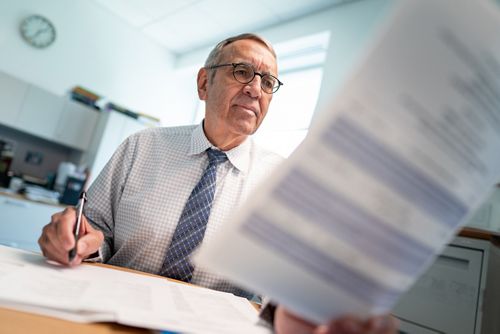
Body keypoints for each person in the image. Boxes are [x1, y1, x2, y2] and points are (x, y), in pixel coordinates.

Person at [39, 33, 396, 334]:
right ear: (203, 83)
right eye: (242, 72)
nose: (255, 89)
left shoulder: (283, 182)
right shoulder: (141, 146)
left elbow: (284, 281)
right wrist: (79, 238)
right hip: (109, 316)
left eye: (268, 82)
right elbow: (95, 226)